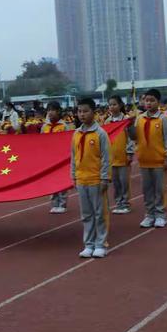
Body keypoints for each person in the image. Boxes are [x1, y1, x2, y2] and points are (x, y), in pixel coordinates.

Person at [129, 89, 167, 228]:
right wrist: (130, 125)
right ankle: (149, 214)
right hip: (144, 160)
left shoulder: (163, 119)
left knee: (159, 189)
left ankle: (160, 214)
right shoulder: (140, 118)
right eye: (146, 100)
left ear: (158, 102)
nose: (148, 103)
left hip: (159, 160)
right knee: (147, 189)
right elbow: (134, 137)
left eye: (151, 100)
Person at [71, 98, 111, 258]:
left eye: (85, 111)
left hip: (96, 179)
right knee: (86, 214)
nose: (82, 114)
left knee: (99, 213)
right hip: (82, 179)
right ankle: (89, 244)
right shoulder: (76, 134)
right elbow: (73, 157)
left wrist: (104, 178)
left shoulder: (100, 134)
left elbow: (106, 158)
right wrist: (73, 175)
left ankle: (101, 244)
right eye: (79, 111)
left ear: (93, 112)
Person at [105, 95, 134, 214]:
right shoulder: (108, 121)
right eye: (110, 105)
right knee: (115, 182)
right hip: (112, 157)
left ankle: (125, 203)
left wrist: (129, 152)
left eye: (114, 104)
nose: (112, 107)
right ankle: (118, 202)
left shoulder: (126, 120)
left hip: (123, 156)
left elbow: (130, 138)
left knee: (124, 182)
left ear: (120, 105)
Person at [41, 101, 70, 213]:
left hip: (61, 158)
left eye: (52, 110)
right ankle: (54, 203)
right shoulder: (45, 127)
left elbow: (68, 141)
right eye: (48, 110)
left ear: (58, 111)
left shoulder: (63, 126)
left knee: (61, 181)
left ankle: (62, 203)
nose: (50, 112)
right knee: (51, 181)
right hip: (49, 159)